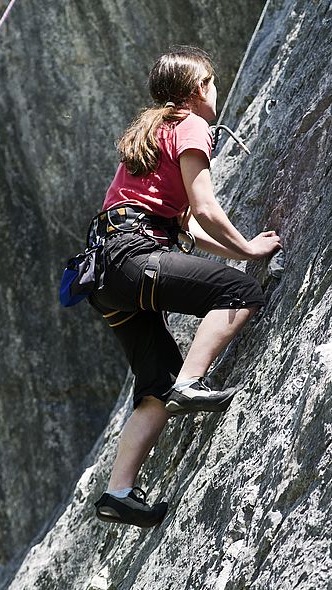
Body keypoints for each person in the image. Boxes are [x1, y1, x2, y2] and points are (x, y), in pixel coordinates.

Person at [90, 47, 281, 527]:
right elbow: (205, 209)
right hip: (134, 255)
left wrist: (240, 249)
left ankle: (118, 492)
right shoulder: (191, 123)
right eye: (213, 83)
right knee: (241, 293)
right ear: (199, 90)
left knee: (155, 385)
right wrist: (251, 253)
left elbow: (187, 230)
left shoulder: (151, 133)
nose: (215, 91)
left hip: (106, 272)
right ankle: (191, 385)